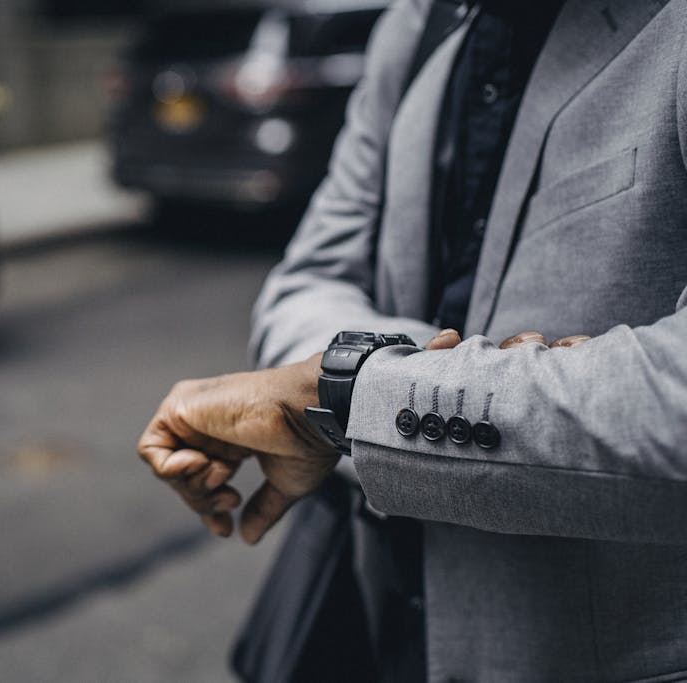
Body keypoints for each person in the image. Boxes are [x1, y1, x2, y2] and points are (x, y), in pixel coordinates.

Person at [138, 0, 687, 680]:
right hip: (387, 628)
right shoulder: (414, 25)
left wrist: (343, 401)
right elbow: (304, 283)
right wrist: (429, 385)